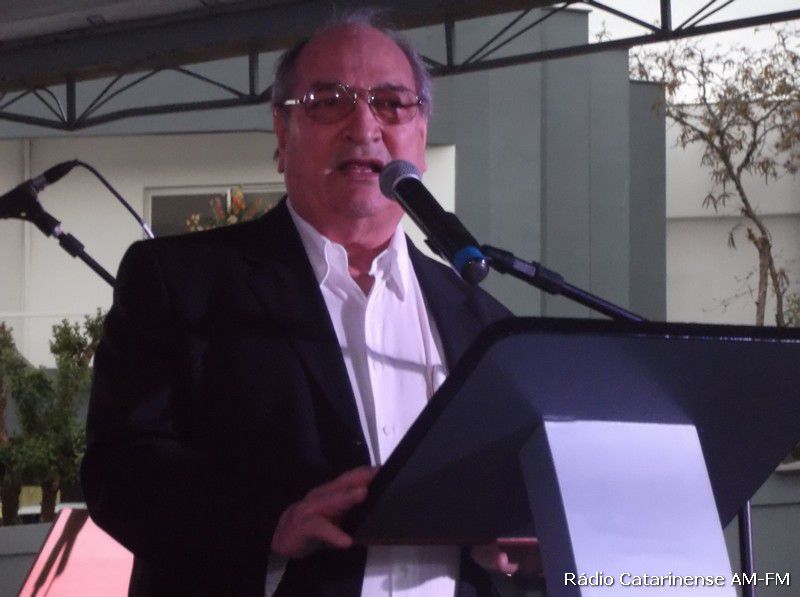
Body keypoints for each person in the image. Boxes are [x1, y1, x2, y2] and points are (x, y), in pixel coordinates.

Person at [82, 13, 539, 597]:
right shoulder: (182, 283)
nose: (364, 126)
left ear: (421, 133)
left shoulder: (484, 323)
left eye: (391, 103)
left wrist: (528, 543)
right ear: (282, 131)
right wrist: (269, 525)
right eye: (329, 102)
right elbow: (120, 470)